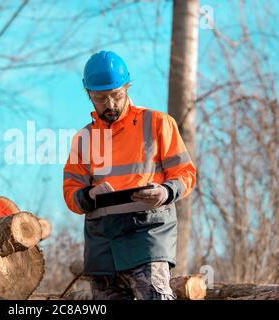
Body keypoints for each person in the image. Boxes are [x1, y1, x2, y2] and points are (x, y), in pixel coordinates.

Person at [63, 50, 196, 300]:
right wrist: (89, 195)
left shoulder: (157, 123)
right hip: (102, 247)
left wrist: (165, 192)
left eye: (116, 95)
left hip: (148, 237)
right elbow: (71, 194)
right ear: (88, 93)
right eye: (101, 98)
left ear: (127, 87)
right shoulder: (83, 139)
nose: (110, 105)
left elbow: (185, 173)